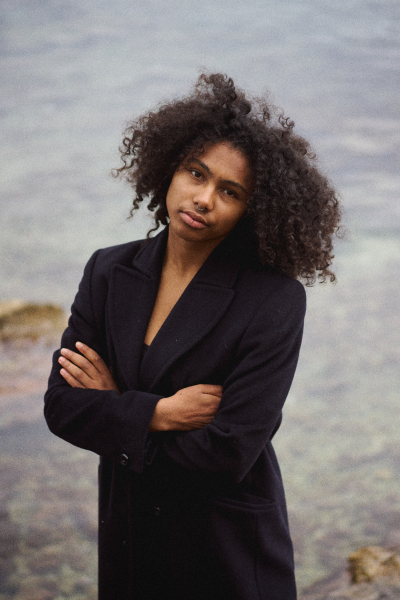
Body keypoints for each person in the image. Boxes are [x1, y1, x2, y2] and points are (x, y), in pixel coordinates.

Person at [44, 73, 341, 600]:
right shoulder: (108, 271)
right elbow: (62, 406)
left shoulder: (273, 300)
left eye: (230, 191)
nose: (204, 199)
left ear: (253, 208)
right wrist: (158, 414)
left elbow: (228, 454)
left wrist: (116, 410)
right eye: (195, 173)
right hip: (129, 536)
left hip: (225, 548)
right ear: (169, 168)